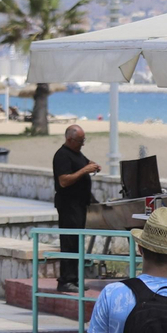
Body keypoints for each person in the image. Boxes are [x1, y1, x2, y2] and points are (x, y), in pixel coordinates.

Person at [53, 124, 101, 293]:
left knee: (77, 243)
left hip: (80, 205)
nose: (82, 144)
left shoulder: (76, 153)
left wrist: (91, 165)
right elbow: (64, 181)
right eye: (79, 141)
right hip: (68, 206)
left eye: (83, 141)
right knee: (69, 243)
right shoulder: (62, 155)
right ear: (69, 139)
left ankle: (75, 278)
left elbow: (83, 163)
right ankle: (65, 280)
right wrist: (85, 170)